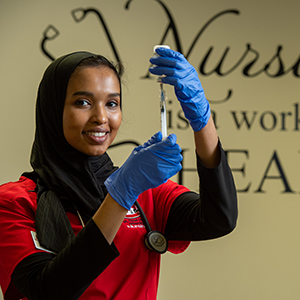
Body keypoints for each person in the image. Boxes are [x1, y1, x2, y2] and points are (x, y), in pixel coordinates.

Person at [0, 47, 238, 300]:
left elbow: (219, 219)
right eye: (83, 102)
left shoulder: (145, 193)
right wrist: (121, 194)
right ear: (53, 109)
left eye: (112, 103)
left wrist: (202, 121)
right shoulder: (15, 202)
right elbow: (47, 291)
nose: (101, 117)